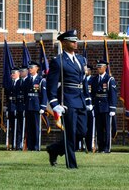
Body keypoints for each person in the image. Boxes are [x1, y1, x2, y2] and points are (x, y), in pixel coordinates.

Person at [46, 30, 92, 169]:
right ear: (64, 43)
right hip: (68, 99)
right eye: (72, 41)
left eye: (76, 40)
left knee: (82, 132)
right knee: (70, 133)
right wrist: (54, 103)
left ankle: (54, 149)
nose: (75, 43)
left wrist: (88, 98)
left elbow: (83, 80)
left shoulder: (81, 59)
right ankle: (72, 165)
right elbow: (51, 84)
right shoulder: (58, 61)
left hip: (80, 99)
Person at [90, 60, 117, 153]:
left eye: (100, 66)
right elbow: (92, 93)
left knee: (107, 129)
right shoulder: (94, 79)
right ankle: (100, 147)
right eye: (97, 66)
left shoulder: (109, 79)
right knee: (99, 128)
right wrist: (92, 105)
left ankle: (106, 148)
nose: (98, 68)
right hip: (97, 106)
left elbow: (113, 94)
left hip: (106, 107)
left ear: (105, 67)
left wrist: (112, 108)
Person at [23, 61, 47, 151]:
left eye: (31, 67)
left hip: (37, 106)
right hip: (29, 106)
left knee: (36, 127)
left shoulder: (41, 80)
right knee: (29, 127)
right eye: (29, 68)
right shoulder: (27, 80)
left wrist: (43, 107)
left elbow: (44, 95)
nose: (30, 69)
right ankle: (30, 145)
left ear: (37, 68)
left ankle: (37, 146)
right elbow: (26, 94)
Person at [5, 68, 20, 150]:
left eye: (14, 73)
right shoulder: (10, 83)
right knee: (12, 127)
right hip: (10, 107)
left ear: (18, 73)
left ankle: (17, 145)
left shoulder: (20, 82)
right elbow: (8, 97)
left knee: (17, 128)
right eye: (11, 73)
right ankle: (12, 144)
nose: (12, 75)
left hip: (17, 107)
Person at [15, 66, 28, 150]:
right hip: (19, 106)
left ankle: (26, 143)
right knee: (19, 126)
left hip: (26, 106)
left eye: (22, 71)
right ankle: (18, 144)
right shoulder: (18, 82)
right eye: (20, 71)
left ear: (26, 72)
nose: (20, 73)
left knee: (26, 126)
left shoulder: (28, 80)